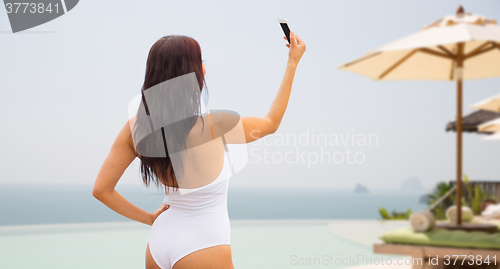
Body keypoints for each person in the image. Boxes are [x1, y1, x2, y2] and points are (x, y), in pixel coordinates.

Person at [92, 31, 306, 269]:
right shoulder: (215, 126)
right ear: (191, 73)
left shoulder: (136, 129)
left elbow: (101, 190)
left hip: (159, 242)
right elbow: (271, 123)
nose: (204, 66)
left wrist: (150, 219)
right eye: (200, 61)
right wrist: (292, 62)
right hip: (203, 245)